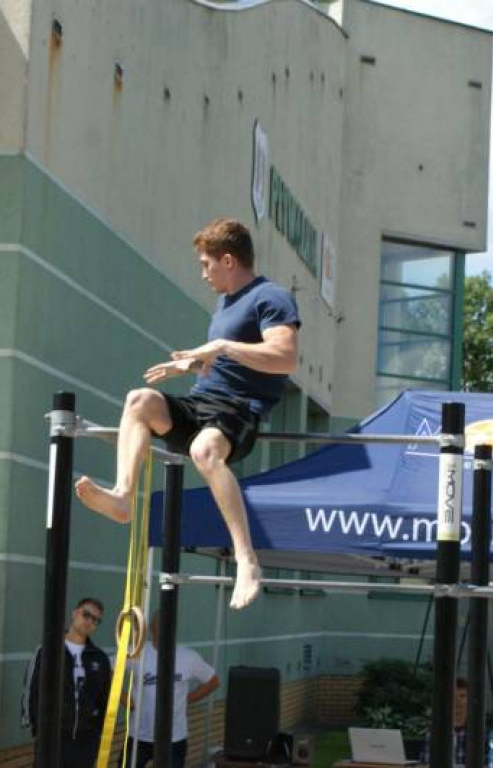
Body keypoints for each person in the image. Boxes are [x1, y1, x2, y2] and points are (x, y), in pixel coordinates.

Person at [75, 218, 300, 609]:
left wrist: (223, 346)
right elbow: (227, 361)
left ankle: (246, 560)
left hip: (238, 412)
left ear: (228, 260)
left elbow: (285, 358)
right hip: (202, 405)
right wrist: (193, 366)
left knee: (203, 452)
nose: (202, 274)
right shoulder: (225, 304)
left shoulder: (271, 297)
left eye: (205, 264)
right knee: (139, 400)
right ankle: (124, 497)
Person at [123, 613, 220, 768]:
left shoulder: (188, 656)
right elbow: (107, 670)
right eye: (158, 625)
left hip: (174, 738)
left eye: (167, 626)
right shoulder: (135, 653)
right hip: (139, 736)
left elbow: (213, 681)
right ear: (150, 629)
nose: (162, 630)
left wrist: (189, 699)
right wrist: (125, 700)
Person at [56, 598, 112, 768]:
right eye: (86, 615)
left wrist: (97, 733)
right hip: (54, 736)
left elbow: (104, 699)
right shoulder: (50, 650)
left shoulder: (100, 658)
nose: (89, 622)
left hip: (86, 739)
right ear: (75, 613)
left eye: (96, 620)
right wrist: (39, 729)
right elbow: (33, 689)